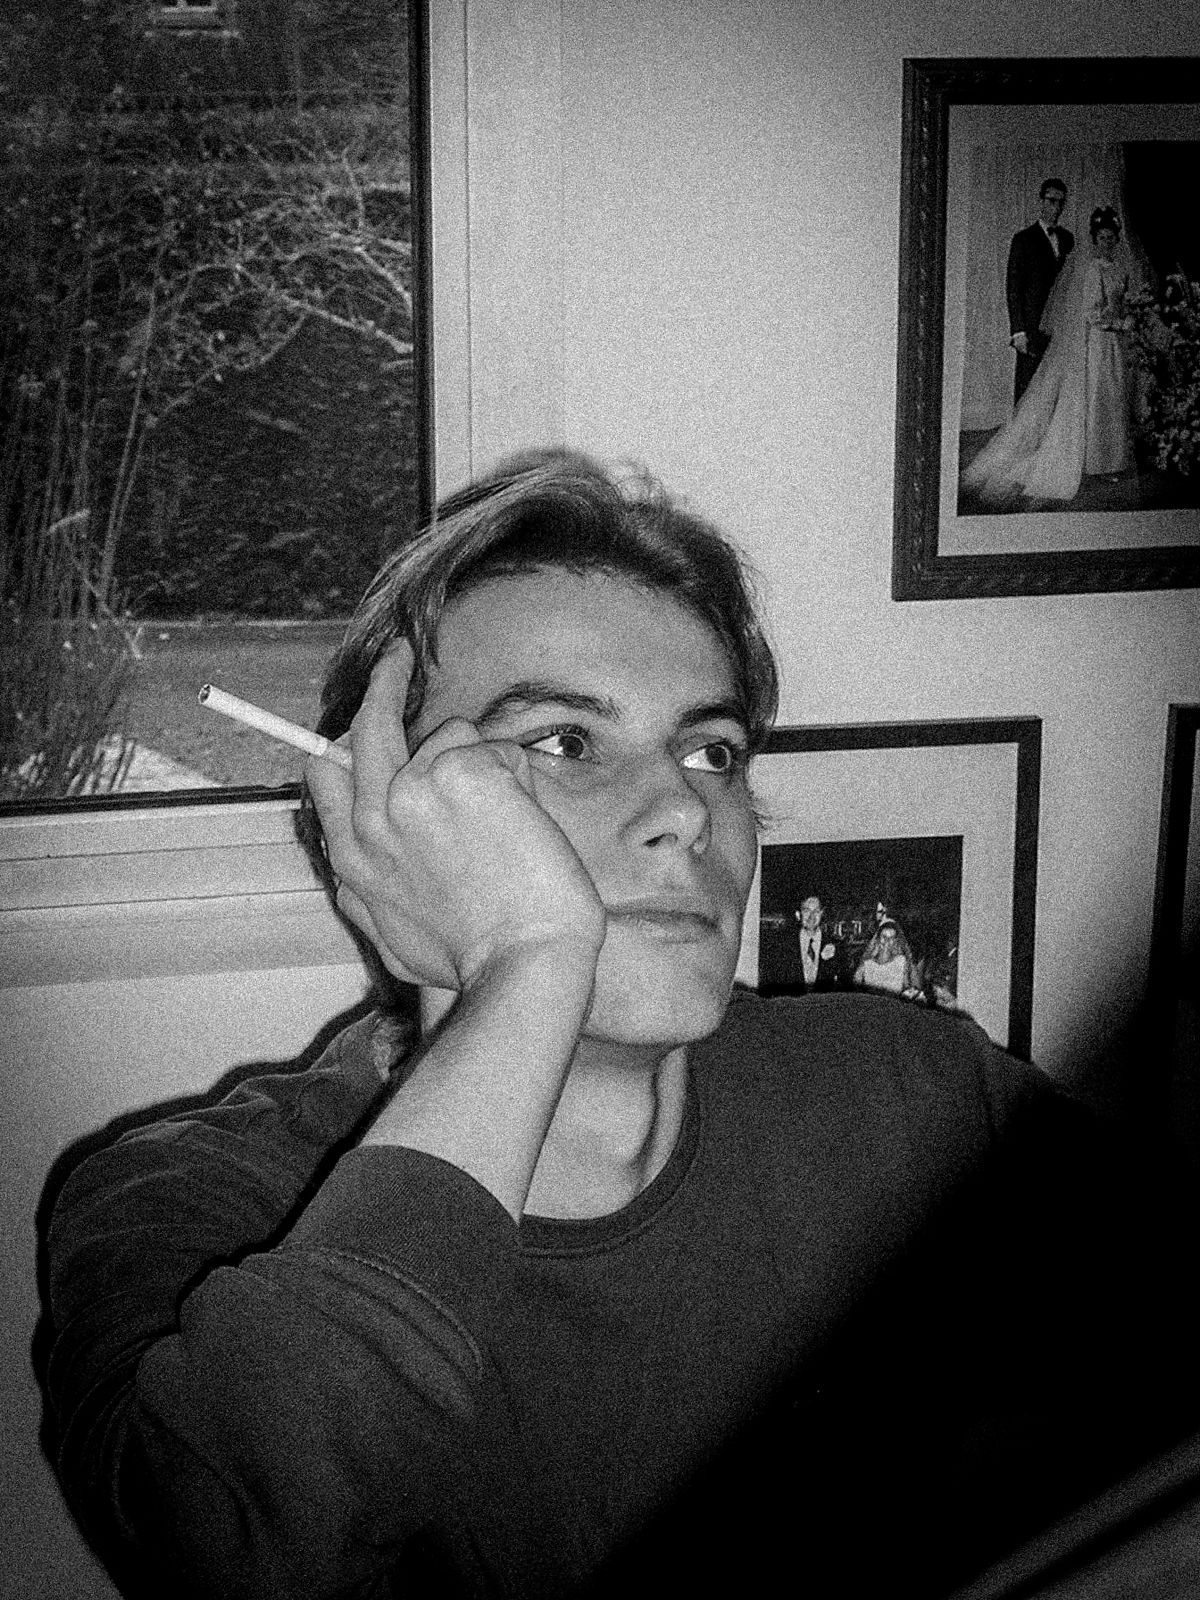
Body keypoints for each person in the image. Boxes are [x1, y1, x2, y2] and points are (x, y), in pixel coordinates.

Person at [39, 451, 1200, 1599]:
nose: (687, 811)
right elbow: (237, 1547)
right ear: (374, 814)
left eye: (711, 750)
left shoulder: (909, 1089)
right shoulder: (189, 1204)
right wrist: (528, 961)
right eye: (564, 742)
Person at [963, 206, 1134, 507]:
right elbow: (1091, 312)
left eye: (1112, 238)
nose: (1107, 243)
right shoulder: (1093, 270)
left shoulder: (1120, 269)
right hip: (1098, 341)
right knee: (1098, 396)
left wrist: (1129, 317)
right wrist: (1119, 323)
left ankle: (1113, 460)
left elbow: (1123, 302)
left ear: (1117, 239)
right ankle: (1095, 462)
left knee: (1114, 395)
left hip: (1116, 344)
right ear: (1095, 239)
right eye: (1102, 238)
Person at [1006, 177, 1075, 403]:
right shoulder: (1023, 239)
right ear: (1041, 201)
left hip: (1060, 327)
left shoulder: (1068, 239)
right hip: (1032, 327)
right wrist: (1018, 331)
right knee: (1028, 391)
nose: (1057, 208)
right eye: (1052, 201)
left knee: (1056, 392)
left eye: (1061, 203)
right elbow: (1014, 288)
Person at [852, 917, 921, 999]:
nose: (887, 941)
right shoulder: (866, 964)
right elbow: (855, 990)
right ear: (878, 939)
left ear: (895, 941)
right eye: (884, 937)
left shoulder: (901, 962)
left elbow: (908, 988)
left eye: (891, 938)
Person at [792, 894, 841, 991]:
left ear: (822, 913)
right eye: (807, 911)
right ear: (798, 914)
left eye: (816, 911)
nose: (812, 916)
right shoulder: (785, 945)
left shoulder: (836, 945)